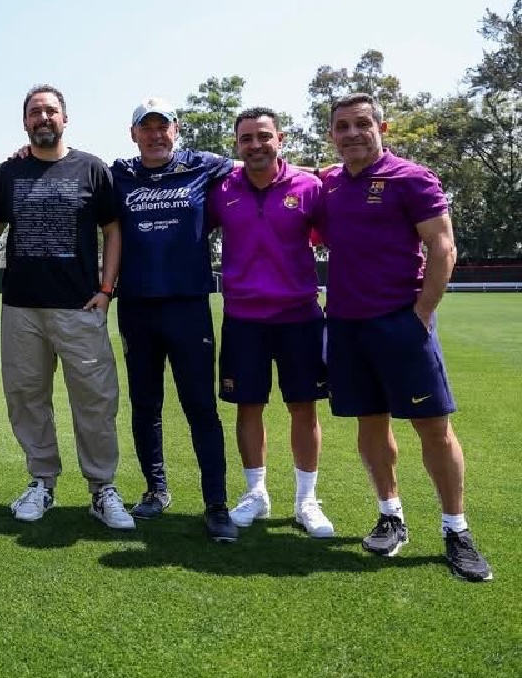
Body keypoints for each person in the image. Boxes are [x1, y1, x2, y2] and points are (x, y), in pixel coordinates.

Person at [321, 93, 492, 581]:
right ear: (332, 134)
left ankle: (456, 530)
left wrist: (421, 312)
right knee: (370, 424)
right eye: (342, 127)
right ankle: (390, 514)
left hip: (401, 323)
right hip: (347, 327)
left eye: (361, 124)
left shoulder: (411, 178)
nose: (352, 133)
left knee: (432, 427)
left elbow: (443, 247)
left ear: (382, 126)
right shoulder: (330, 183)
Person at [0, 85, 133, 530]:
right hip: (22, 308)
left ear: (64, 118)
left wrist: (107, 289)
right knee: (27, 399)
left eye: (50, 111)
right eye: (34, 112)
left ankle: (101, 488)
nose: (43, 117)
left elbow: (112, 230)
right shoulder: (8, 173)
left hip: (80, 306)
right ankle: (42, 481)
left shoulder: (92, 169)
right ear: (25, 122)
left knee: (95, 399)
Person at [110, 96, 237, 542]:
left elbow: (258, 163)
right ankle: (155, 490)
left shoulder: (202, 167)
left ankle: (216, 504)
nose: (155, 134)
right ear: (133, 134)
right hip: (137, 307)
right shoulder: (119, 174)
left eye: (163, 126)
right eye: (146, 127)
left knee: (201, 406)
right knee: (145, 405)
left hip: (188, 306)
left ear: (176, 129)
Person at [206, 107, 334, 538]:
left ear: (280, 138)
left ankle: (305, 500)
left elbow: (337, 237)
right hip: (243, 318)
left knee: (303, 407)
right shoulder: (222, 190)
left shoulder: (309, 186)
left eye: (264, 136)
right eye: (246, 139)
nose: (256, 145)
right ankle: (256, 494)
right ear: (237, 145)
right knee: (249, 406)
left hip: (299, 317)